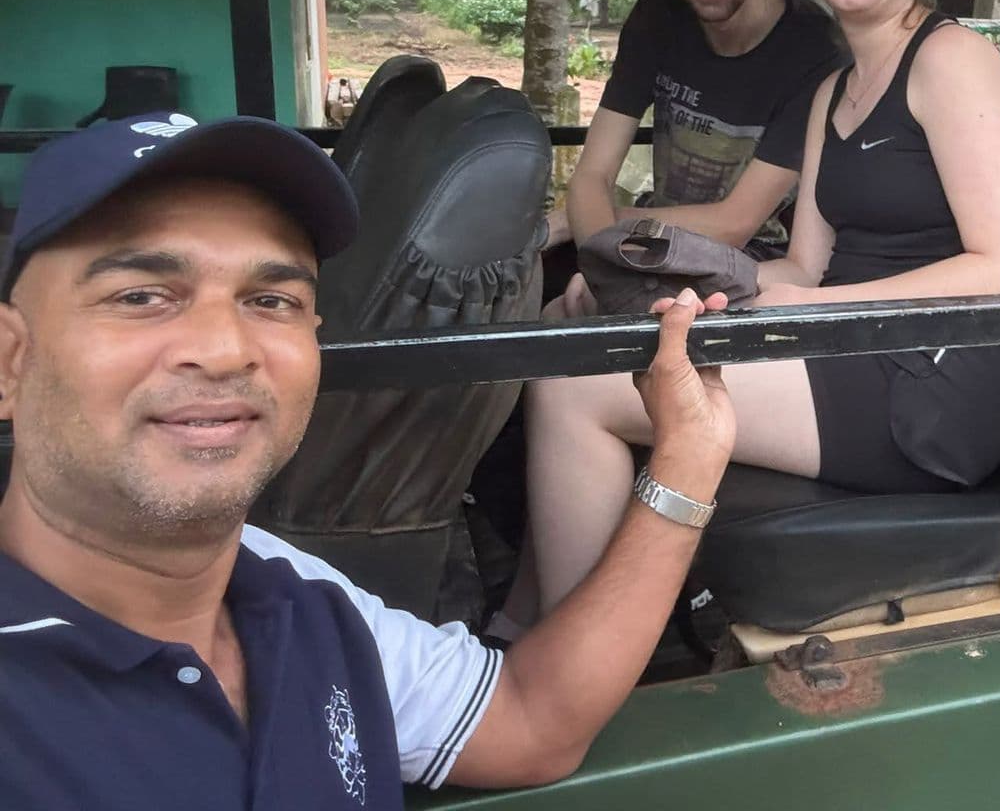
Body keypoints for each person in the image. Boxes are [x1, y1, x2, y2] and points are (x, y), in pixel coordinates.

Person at [0, 113, 735, 808]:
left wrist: (688, 456)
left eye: (271, 300)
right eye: (141, 296)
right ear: (10, 361)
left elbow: (530, 722)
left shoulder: (292, 594)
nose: (225, 350)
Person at [512, 0, 1000, 620]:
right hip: (848, 345)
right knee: (595, 341)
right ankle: (535, 621)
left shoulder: (954, 60)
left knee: (571, 392)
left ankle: (567, 664)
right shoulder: (833, 91)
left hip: (935, 381)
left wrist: (816, 309)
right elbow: (800, 266)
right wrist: (673, 286)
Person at [544, 0, 845, 314]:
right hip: (653, 247)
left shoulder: (814, 48)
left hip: (751, 271)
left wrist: (588, 227)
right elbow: (592, 175)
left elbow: (735, 223)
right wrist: (607, 271)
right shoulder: (657, 17)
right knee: (545, 312)